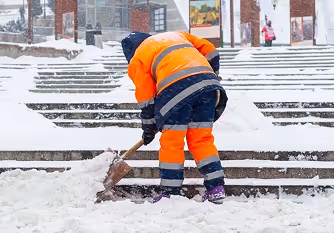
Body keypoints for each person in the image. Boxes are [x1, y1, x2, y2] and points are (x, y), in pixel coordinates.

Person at [121, 31, 228, 204]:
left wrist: (148, 128)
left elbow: (147, 99)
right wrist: (213, 73)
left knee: (172, 142)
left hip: (175, 91)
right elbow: (211, 51)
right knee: (202, 140)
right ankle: (216, 187)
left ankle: (171, 193)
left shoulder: (138, 59)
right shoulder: (176, 35)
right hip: (209, 88)